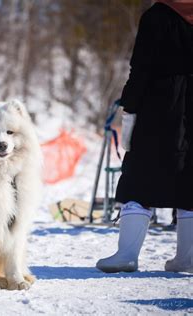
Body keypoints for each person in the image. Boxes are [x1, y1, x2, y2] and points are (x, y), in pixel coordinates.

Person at [96, 0, 193, 273]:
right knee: (190, 179)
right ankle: (188, 260)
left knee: (140, 176)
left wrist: (130, 108)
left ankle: (126, 254)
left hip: (161, 103)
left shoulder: (157, 15)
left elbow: (141, 66)